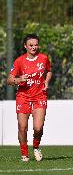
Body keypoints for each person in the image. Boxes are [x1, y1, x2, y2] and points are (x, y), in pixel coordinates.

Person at [7, 34, 52, 162]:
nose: (34, 47)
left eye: (36, 45)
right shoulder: (19, 61)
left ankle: (36, 147)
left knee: (38, 127)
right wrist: (19, 79)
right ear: (25, 46)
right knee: (22, 126)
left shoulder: (43, 58)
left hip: (39, 96)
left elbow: (49, 71)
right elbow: (9, 80)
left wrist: (46, 81)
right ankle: (24, 153)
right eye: (31, 45)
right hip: (23, 97)